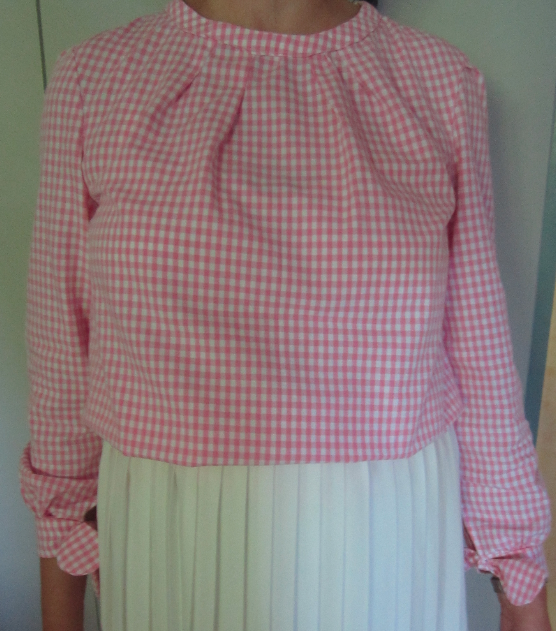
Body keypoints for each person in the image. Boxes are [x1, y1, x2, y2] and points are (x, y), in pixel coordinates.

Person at [20, 0, 552, 629]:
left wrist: (521, 581)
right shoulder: (97, 80)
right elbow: (61, 358)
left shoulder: (437, 82)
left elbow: (480, 351)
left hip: (384, 533)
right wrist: (61, 606)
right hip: (171, 526)